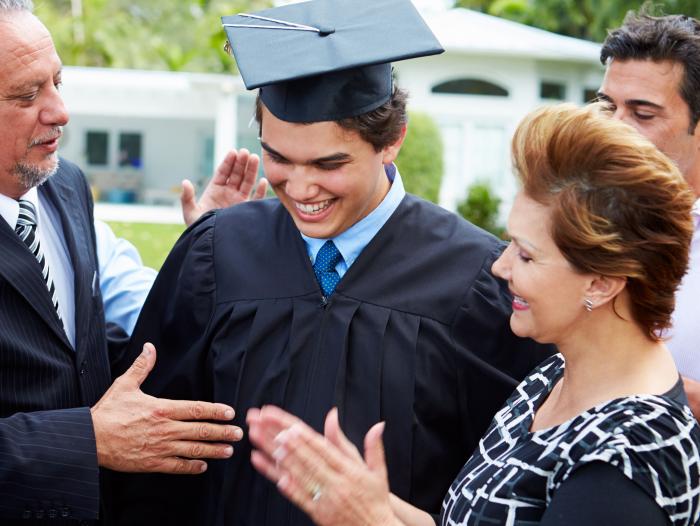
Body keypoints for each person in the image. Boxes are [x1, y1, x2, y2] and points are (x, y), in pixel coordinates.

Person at [106, 0, 550, 524]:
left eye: (329, 163)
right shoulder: (215, 254)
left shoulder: (477, 279)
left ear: (393, 141)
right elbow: (147, 454)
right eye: (279, 158)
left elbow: (507, 479)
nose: (300, 188)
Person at [248, 103, 700, 526]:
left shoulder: (628, 461)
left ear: (601, 283)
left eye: (526, 255)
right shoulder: (554, 378)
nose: (500, 267)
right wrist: (361, 497)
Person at [0, 1, 254, 520]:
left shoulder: (65, 185)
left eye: (57, 82)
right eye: (28, 94)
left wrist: (203, 249)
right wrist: (84, 440)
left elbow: (88, 348)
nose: (60, 111)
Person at [597, 10, 700, 416]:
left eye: (642, 114)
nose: (614, 128)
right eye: (608, 107)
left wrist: (671, 395)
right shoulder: (590, 221)